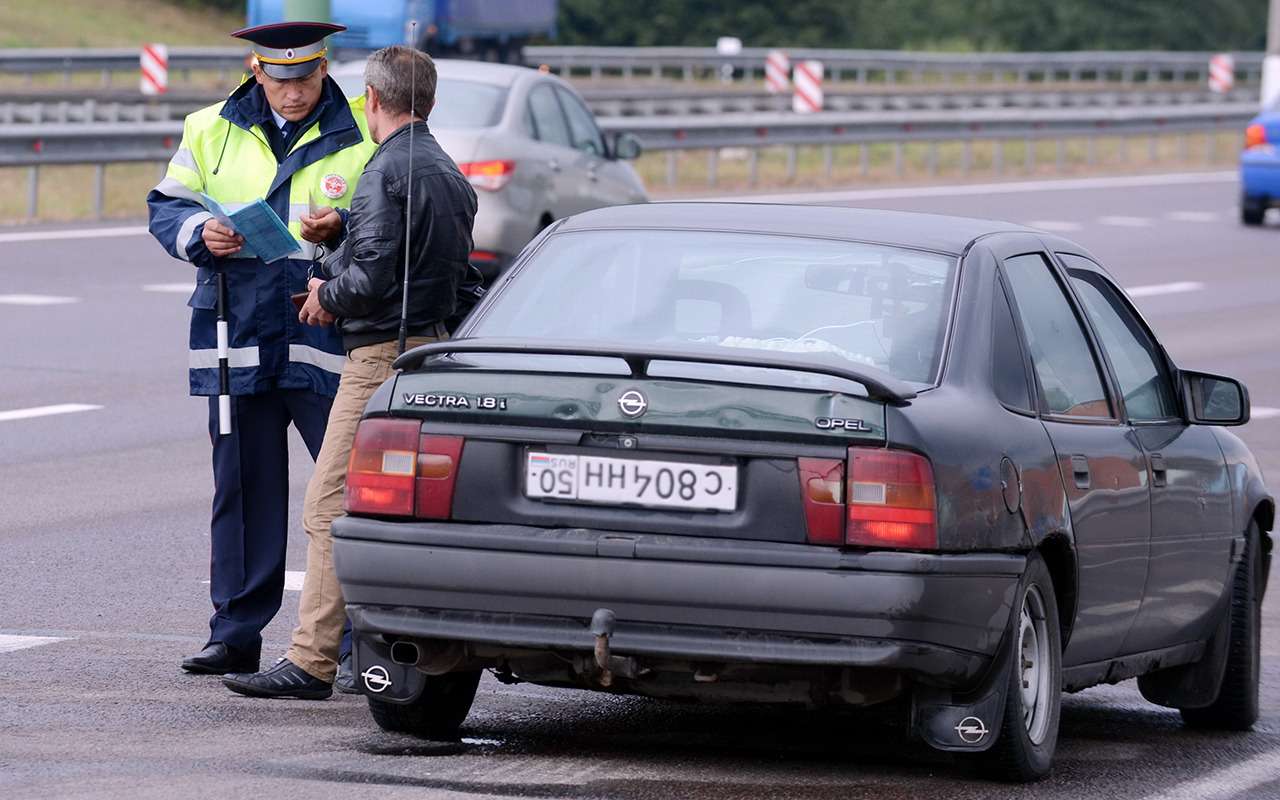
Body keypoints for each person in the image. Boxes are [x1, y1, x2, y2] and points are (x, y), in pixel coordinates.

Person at [222, 45, 478, 699]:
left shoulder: (387, 168)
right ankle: (375, 650)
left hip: (378, 357)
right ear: (431, 101)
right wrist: (341, 235)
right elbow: (431, 268)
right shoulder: (445, 171)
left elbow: (379, 273)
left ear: (370, 99)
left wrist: (323, 294)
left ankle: (311, 661)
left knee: (328, 506)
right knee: (392, 512)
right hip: (429, 350)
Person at [147, 21, 377, 677]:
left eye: (305, 80)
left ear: (323, 70)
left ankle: (359, 638)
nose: (294, 94)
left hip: (322, 328)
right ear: (256, 71)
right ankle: (235, 632)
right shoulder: (209, 127)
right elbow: (167, 204)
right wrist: (200, 232)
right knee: (241, 489)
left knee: (348, 493)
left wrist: (342, 227)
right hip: (236, 327)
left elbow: (391, 215)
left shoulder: (363, 128)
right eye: (280, 81)